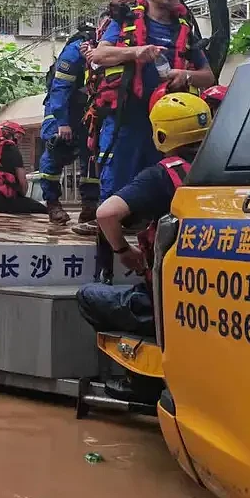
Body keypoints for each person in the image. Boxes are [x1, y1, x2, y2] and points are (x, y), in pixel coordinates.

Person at [83, 0, 216, 281]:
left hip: (171, 127)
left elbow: (208, 75)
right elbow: (99, 56)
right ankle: (106, 269)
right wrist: (136, 52)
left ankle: (158, 274)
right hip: (128, 119)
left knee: (165, 196)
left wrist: (181, 74)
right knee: (113, 191)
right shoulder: (125, 20)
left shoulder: (185, 25)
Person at [76, 92, 212, 335]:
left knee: (88, 295)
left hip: (170, 304)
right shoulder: (228, 163)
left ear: (161, 135)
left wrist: (123, 251)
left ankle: (138, 368)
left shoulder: (161, 175)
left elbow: (106, 214)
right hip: (213, 299)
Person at [38, 21, 100, 226]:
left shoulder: (113, 48)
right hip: (61, 110)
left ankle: (89, 208)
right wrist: (63, 123)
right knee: (56, 152)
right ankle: (53, 204)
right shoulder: (77, 50)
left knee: (91, 158)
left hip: (87, 113)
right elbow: (60, 88)